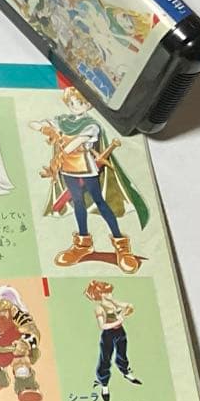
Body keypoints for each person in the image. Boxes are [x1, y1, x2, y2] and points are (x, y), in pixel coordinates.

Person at [30, 87, 149, 273]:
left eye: (79, 103)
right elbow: (36, 124)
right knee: (78, 202)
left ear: (88, 105)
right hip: (67, 168)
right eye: (71, 103)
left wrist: (58, 140)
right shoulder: (65, 120)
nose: (75, 106)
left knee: (99, 201)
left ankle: (121, 245)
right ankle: (83, 244)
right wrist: (43, 127)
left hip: (84, 166)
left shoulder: (91, 125)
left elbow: (74, 145)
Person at [84, 280, 142, 401]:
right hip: (108, 335)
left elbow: (129, 305)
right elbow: (102, 326)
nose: (111, 294)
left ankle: (126, 372)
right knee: (105, 359)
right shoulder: (99, 308)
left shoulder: (113, 303)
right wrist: (118, 321)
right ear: (102, 294)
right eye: (108, 292)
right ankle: (104, 385)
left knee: (122, 354)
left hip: (120, 332)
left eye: (110, 292)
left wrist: (115, 302)